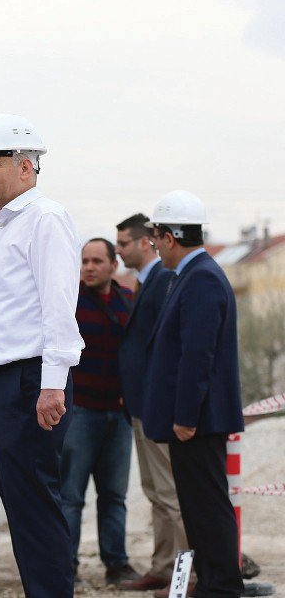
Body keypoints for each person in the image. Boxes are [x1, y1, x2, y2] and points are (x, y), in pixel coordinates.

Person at [0, 114, 84, 597]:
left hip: (30, 379)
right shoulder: (12, 227)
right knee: (24, 508)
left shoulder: (45, 220)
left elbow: (59, 308)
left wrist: (51, 384)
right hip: (9, 385)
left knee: (35, 508)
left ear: (26, 166)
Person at [143, 190, 245, 597]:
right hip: (196, 419)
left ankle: (222, 586)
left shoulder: (200, 277)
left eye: (155, 238)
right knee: (200, 506)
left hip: (198, 421)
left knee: (207, 506)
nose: (155, 246)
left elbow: (197, 354)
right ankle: (215, 580)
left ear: (168, 236)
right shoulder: (193, 275)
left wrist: (185, 415)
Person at [62, 238, 140, 587]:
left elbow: (137, 354)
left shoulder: (127, 303)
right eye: (84, 261)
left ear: (113, 266)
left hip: (117, 417)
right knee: (71, 497)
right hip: (79, 413)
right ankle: (66, 568)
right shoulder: (69, 301)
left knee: (113, 497)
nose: (89, 267)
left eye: (97, 261)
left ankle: (117, 565)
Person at [115, 213, 184, 592]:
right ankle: (162, 565)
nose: (119, 251)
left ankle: (183, 574)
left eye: (124, 243)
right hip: (141, 406)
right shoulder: (146, 283)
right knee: (155, 491)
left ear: (146, 243)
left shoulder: (163, 281)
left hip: (156, 407)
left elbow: (164, 349)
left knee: (170, 494)